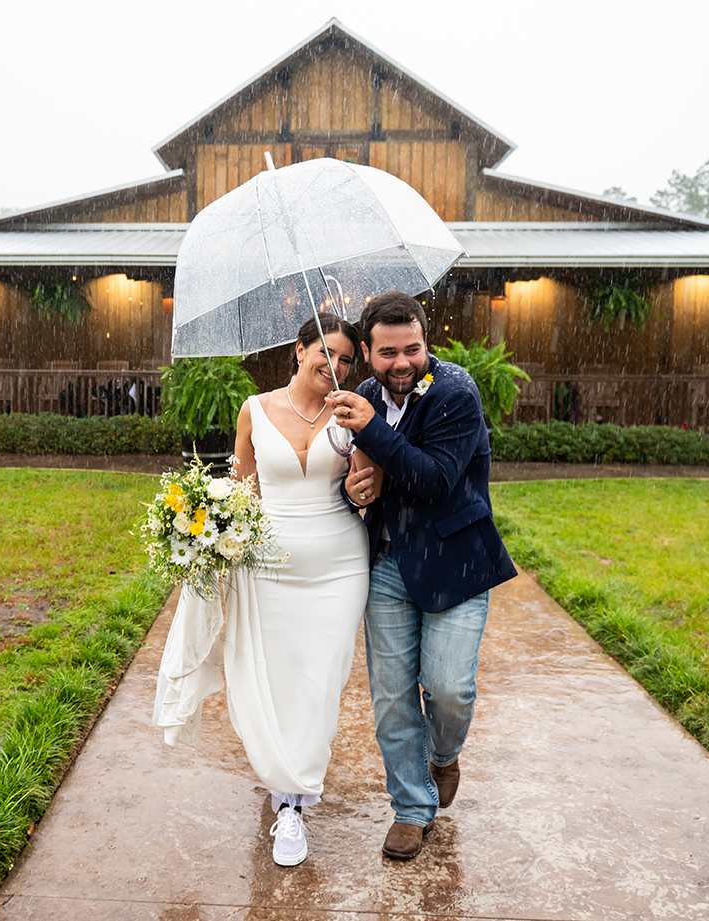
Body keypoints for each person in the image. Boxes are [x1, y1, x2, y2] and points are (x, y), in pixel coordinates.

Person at [326, 290, 518, 861]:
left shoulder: (455, 391)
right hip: (388, 564)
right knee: (391, 697)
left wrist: (374, 433)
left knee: (449, 688)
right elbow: (356, 480)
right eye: (388, 353)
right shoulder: (362, 397)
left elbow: (435, 480)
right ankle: (411, 808)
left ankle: (444, 756)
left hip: (455, 562)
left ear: (425, 342)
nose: (403, 362)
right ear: (367, 352)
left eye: (412, 349)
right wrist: (354, 489)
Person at [218, 313, 373, 867]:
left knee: (321, 679)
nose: (336, 366)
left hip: (340, 567)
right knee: (281, 679)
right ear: (300, 350)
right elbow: (242, 492)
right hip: (269, 568)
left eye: (347, 360)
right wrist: (212, 536)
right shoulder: (254, 410)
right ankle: (289, 799)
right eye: (327, 353)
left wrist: (362, 482)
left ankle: (295, 792)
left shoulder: (353, 412)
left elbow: (365, 488)